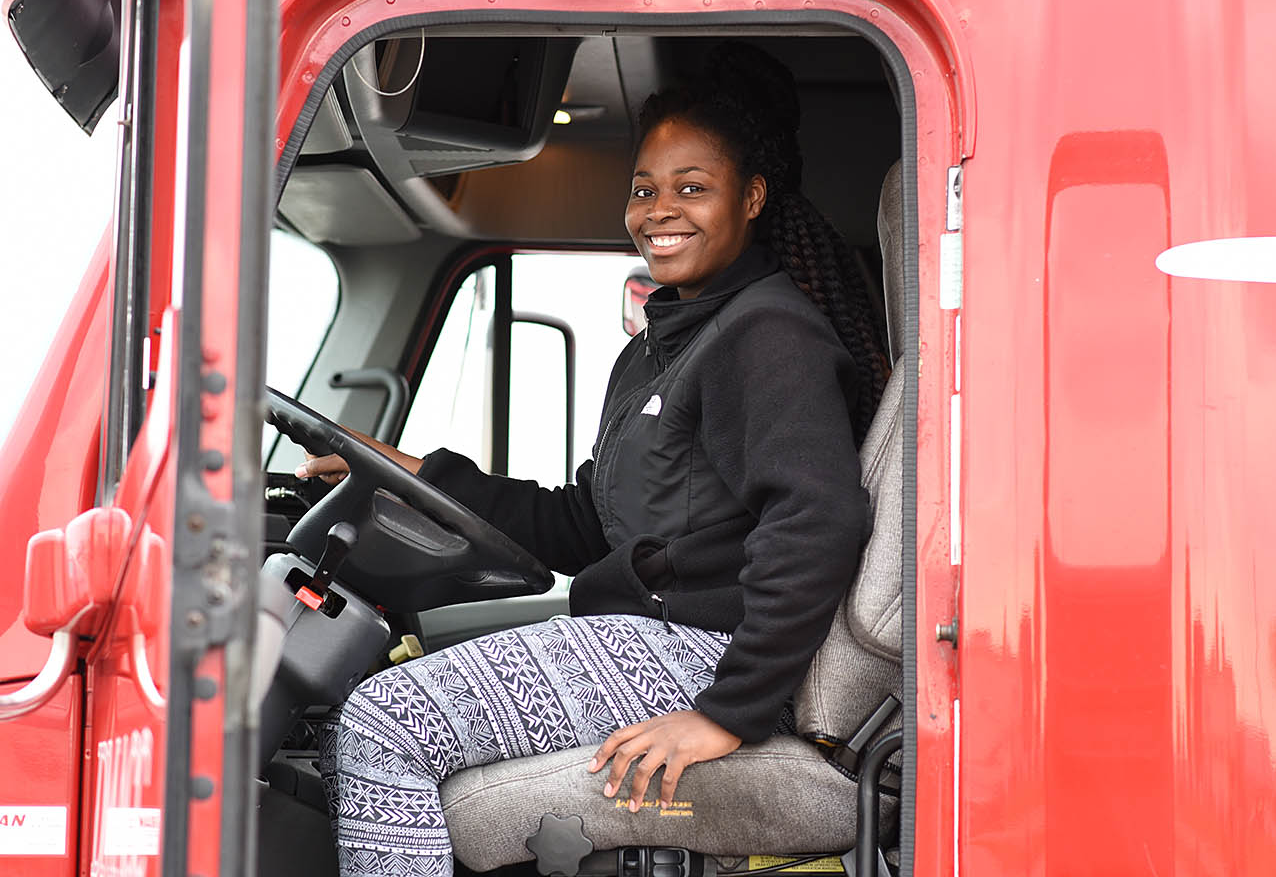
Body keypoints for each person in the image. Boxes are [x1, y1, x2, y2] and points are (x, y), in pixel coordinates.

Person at [300, 43, 890, 877]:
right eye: (645, 189)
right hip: (645, 632)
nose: (660, 210)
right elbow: (586, 523)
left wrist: (728, 711)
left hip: (696, 649)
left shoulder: (769, 335)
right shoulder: (660, 347)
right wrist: (414, 469)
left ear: (751, 197)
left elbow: (817, 517)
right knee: (340, 729)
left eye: (693, 187)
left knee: (381, 728)